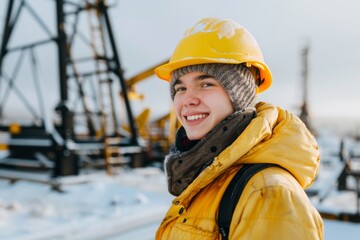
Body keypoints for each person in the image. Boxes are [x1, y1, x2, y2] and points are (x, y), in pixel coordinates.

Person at [154, 17, 323, 239]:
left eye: (206, 84)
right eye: (180, 88)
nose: (188, 100)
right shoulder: (207, 178)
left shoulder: (268, 193)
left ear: (240, 95)